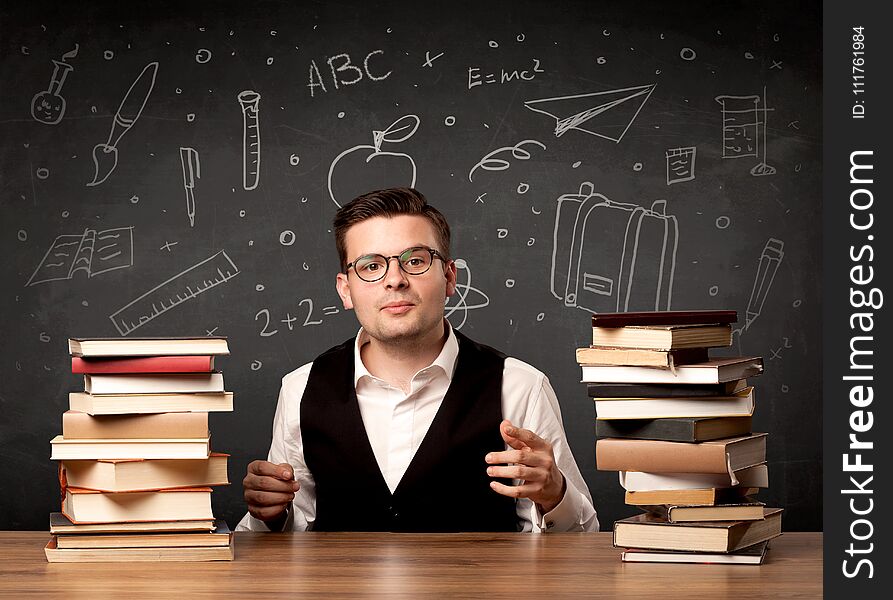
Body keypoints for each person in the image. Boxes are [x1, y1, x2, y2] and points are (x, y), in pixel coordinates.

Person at [237, 187, 598, 532]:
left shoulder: (521, 387)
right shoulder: (300, 389)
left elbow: (582, 539)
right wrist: (269, 514)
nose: (395, 279)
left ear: (449, 276)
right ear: (346, 290)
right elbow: (291, 530)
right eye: (371, 265)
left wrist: (555, 494)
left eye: (415, 260)